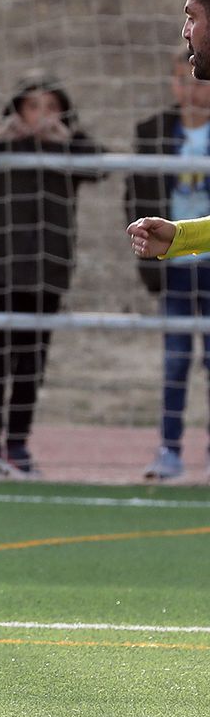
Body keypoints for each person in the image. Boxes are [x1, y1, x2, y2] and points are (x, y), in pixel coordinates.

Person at [0, 77, 105, 477]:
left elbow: (102, 163)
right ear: (17, 111)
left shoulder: (70, 150)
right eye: (33, 107)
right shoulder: (0, 144)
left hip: (49, 271)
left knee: (32, 362)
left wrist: (66, 138)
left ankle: (18, 444)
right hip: (3, 268)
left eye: (50, 107)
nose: (41, 116)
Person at [125, 53, 210, 481]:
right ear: (175, 84)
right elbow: (136, 191)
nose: (194, 89)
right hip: (176, 266)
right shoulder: (153, 131)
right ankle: (169, 449)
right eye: (185, 81)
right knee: (176, 359)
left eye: (199, 82)